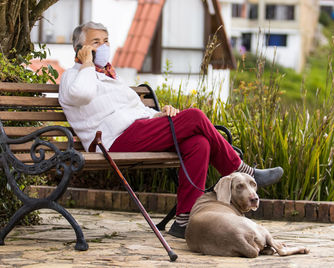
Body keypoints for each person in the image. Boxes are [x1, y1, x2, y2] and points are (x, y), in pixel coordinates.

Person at [59, 22, 284, 239]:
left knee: (199, 143)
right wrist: (87, 64)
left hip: (136, 131)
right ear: (80, 48)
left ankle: (185, 220)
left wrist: (158, 115)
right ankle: (242, 170)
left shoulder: (111, 77)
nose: (104, 46)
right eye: (96, 42)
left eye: (106, 41)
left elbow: (134, 111)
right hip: (110, 140)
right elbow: (83, 95)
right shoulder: (74, 76)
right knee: (195, 115)